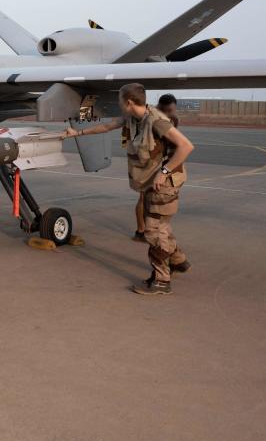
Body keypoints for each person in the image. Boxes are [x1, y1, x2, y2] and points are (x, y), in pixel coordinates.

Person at [63, 83, 194, 295]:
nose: (119, 104)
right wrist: (76, 133)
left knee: (153, 231)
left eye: (120, 101)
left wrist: (165, 171)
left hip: (164, 185)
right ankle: (179, 261)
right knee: (162, 226)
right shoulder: (133, 118)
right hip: (152, 182)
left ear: (129, 102)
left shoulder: (156, 121)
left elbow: (186, 146)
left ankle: (161, 280)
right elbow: (106, 127)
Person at [132, 94, 181, 241]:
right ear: (161, 107)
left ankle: (151, 228)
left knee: (153, 196)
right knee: (142, 196)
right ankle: (140, 230)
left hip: (160, 159)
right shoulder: (149, 116)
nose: (171, 113)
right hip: (146, 159)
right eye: (169, 110)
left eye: (172, 110)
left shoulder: (172, 119)